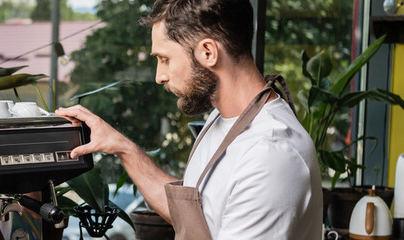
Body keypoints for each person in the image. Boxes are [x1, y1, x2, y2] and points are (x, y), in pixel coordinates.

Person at [55, 0, 322, 239]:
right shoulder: (221, 118)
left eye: (164, 59)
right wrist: (121, 146)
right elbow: (194, 219)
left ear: (208, 52)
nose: (159, 76)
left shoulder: (271, 153)